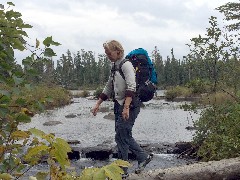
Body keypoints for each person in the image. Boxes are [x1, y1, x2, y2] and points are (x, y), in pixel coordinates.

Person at [92, 40, 153, 178]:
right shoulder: (114, 66)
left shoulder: (126, 65)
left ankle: (125, 169)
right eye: (106, 53)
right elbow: (109, 87)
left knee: (122, 136)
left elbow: (132, 87)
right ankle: (139, 160)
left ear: (118, 51)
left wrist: (126, 107)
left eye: (109, 52)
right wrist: (98, 103)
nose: (107, 55)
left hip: (130, 105)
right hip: (119, 105)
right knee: (122, 136)